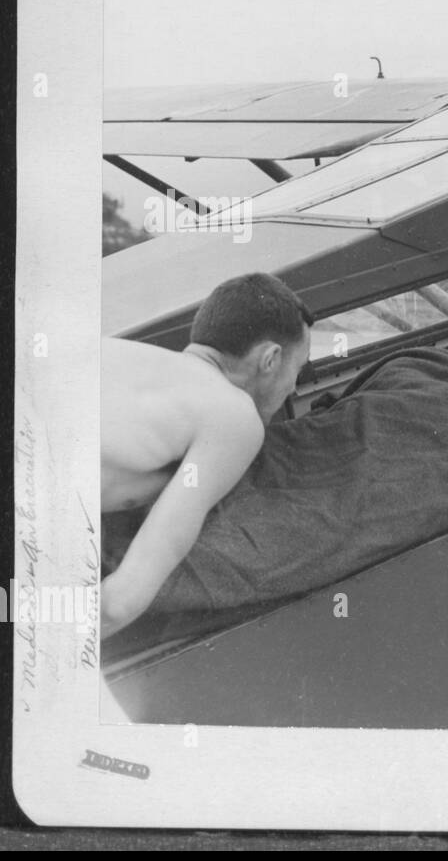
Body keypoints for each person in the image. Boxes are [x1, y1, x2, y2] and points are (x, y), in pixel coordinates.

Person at [101, 272, 313, 637]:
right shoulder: (234, 416)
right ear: (271, 359)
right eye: (298, 367)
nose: (294, 386)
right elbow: (120, 603)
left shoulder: (122, 357)